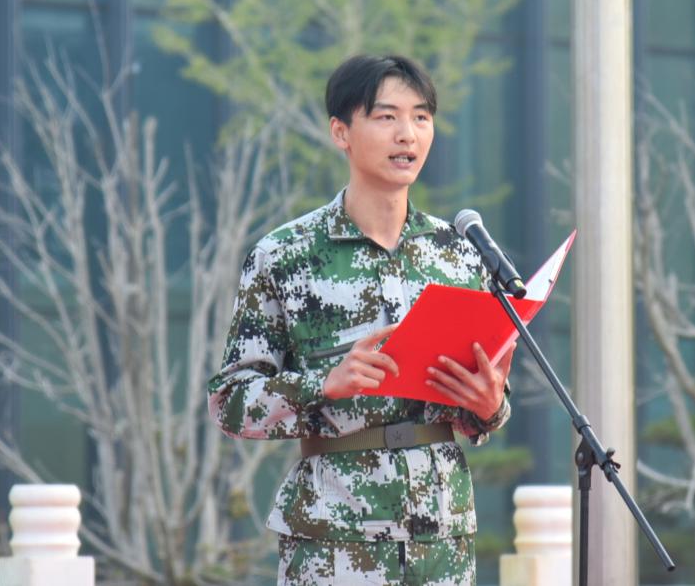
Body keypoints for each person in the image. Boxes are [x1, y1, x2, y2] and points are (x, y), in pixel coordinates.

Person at [207, 54, 514, 585]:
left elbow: (483, 404)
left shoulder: (459, 255)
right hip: (336, 543)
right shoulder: (285, 255)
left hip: (441, 542)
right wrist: (323, 384)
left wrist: (490, 408)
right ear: (341, 132)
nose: (407, 134)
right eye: (386, 116)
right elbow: (231, 403)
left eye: (421, 117)